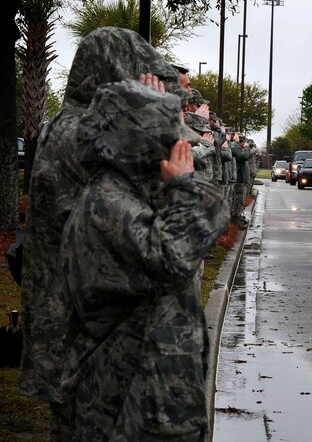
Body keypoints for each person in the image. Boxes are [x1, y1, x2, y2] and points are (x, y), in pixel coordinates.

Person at [19, 26, 182, 441]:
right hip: (85, 329)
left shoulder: (71, 125)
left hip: (75, 317)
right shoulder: (87, 135)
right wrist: (154, 120)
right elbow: (146, 218)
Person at [59, 79, 230, 441]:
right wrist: (186, 185)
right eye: (168, 141)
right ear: (138, 145)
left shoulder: (124, 195)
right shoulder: (109, 204)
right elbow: (175, 257)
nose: (177, 151)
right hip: (124, 409)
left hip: (147, 402)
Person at [184, 112, 216, 181]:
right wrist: (205, 146)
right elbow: (190, 156)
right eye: (201, 132)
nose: (203, 136)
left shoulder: (199, 146)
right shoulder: (182, 144)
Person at [231, 134, 253, 228]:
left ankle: (238, 217)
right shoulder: (235, 148)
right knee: (238, 200)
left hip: (242, 179)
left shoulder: (239, 149)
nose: (244, 144)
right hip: (239, 179)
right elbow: (243, 156)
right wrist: (247, 148)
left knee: (240, 200)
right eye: (243, 142)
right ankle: (235, 221)